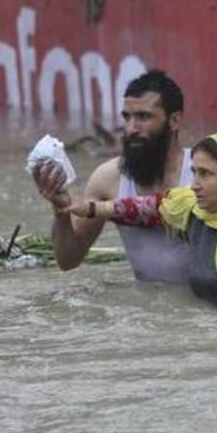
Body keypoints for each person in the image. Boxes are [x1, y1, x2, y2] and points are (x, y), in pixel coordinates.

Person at [59, 133, 217, 314]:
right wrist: (86, 208)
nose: (194, 184)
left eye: (206, 174)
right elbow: (141, 208)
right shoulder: (191, 207)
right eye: (194, 172)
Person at [33, 70, 191, 282]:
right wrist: (61, 209)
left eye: (143, 117)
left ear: (174, 121)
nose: (131, 128)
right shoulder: (108, 178)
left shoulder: (203, 171)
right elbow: (68, 261)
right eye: (127, 117)